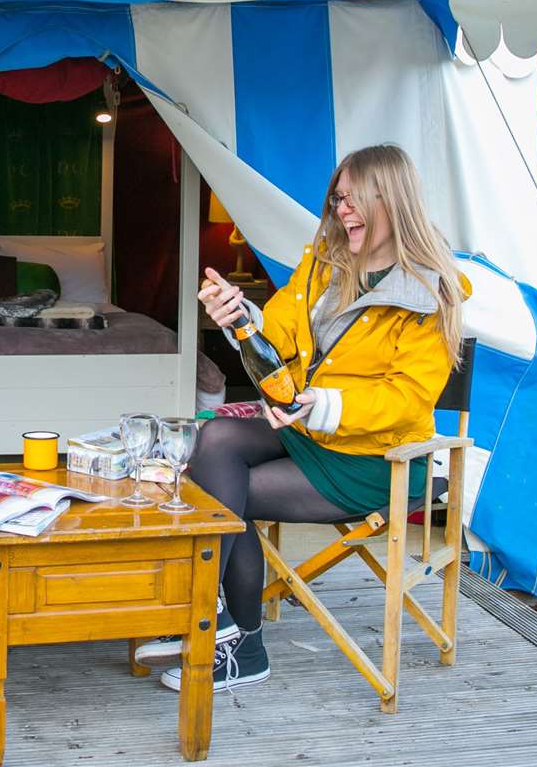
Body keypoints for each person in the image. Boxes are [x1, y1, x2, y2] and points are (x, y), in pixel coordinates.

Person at [139, 144, 468, 693]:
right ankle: (217, 622)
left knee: (225, 487)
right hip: (305, 429)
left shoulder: (428, 292)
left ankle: (222, 627)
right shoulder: (325, 263)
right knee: (214, 439)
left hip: (374, 459)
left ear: (394, 199)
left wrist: (329, 405)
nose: (343, 209)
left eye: (356, 198)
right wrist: (239, 315)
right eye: (338, 198)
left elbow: (409, 400)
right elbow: (282, 335)